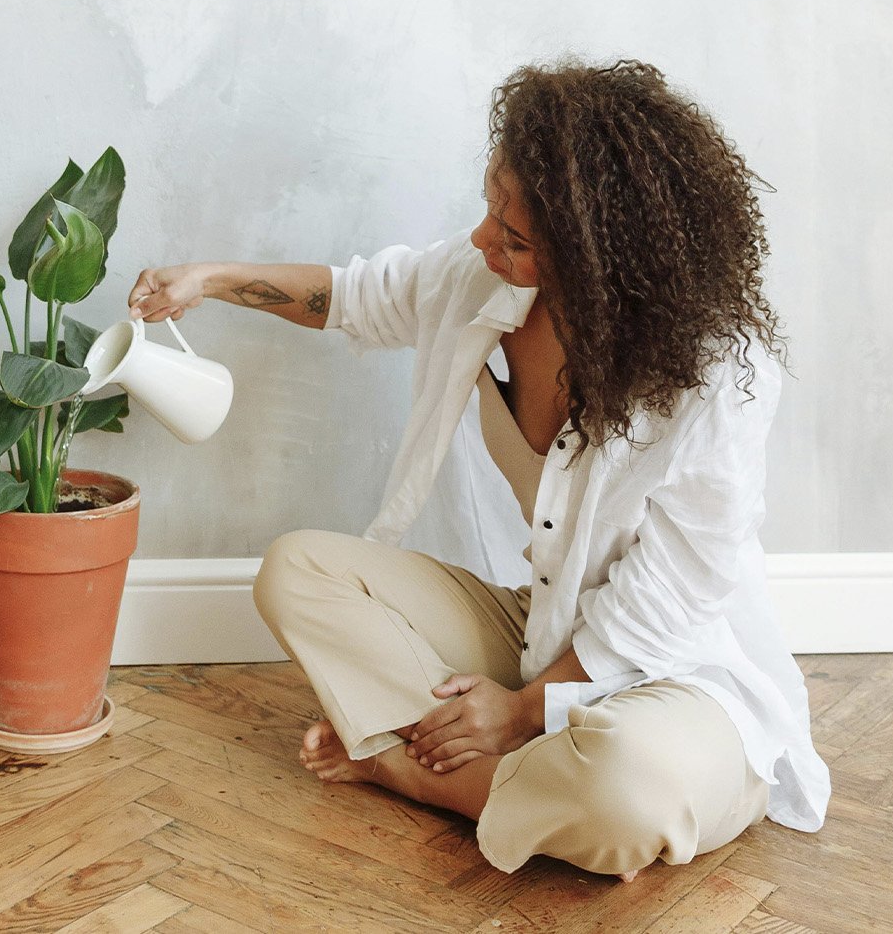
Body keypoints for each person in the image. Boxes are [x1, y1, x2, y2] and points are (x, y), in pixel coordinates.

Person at [122, 56, 830, 881]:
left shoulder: (712, 374)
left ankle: (409, 767)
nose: (481, 239)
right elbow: (354, 296)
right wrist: (208, 279)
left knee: (628, 787)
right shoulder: (483, 284)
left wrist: (525, 711)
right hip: (545, 627)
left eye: (517, 237)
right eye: (492, 205)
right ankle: (512, 782)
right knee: (296, 571)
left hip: (677, 675)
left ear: (601, 261)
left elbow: (675, 595)